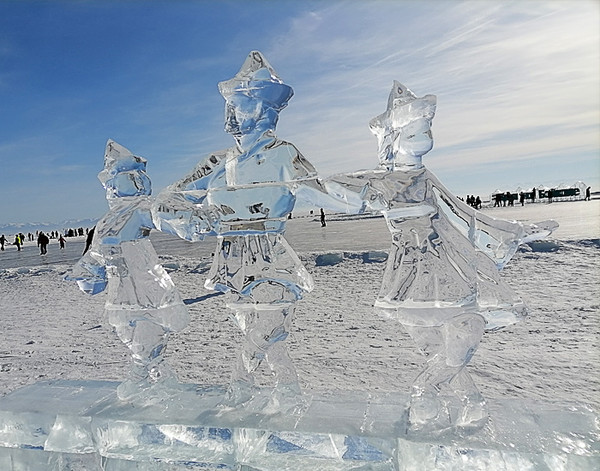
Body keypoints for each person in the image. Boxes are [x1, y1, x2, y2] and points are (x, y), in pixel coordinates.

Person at [326, 81, 557, 434]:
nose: (426, 135)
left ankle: (443, 399)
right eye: (418, 129)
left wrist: (519, 230)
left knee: (461, 335)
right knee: (444, 342)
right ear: (394, 138)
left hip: (450, 267)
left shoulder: (425, 177)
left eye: (427, 128)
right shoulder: (386, 182)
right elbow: (341, 188)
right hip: (414, 276)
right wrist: (296, 186)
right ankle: (441, 398)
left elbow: (467, 216)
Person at [153, 51, 328, 410]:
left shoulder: (284, 156)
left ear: (266, 109)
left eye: (239, 105)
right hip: (231, 260)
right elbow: (167, 199)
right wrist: (188, 219)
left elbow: (327, 192)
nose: (229, 116)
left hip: (270, 254)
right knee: (267, 335)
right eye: (227, 106)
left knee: (265, 329)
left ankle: (240, 381)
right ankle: (289, 391)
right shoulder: (217, 162)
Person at [68, 140, 189, 401]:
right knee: (127, 334)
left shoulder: (140, 210)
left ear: (136, 181)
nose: (111, 187)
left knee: (148, 333)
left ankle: (138, 379)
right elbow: (96, 252)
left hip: (146, 286)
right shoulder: (105, 221)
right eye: (108, 182)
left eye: (116, 180)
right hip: (119, 291)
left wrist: (184, 215)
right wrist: (83, 270)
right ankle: (163, 378)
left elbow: (164, 217)